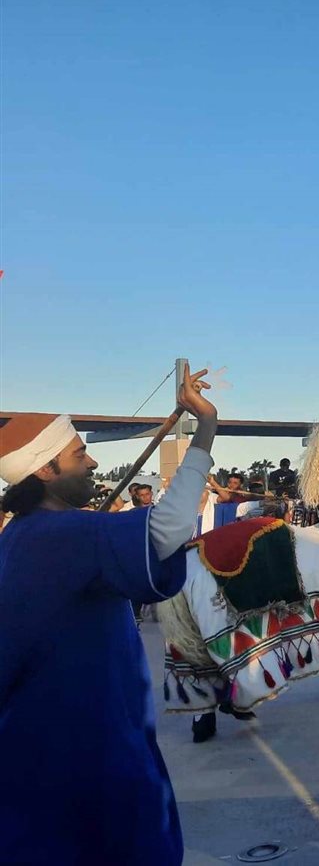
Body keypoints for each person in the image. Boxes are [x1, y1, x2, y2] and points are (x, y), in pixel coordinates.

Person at [0, 364, 218, 865]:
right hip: (83, 748)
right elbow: (168, 529)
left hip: (51, 740)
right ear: (45, 471)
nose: (93, 461)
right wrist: (206, 426)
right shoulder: (61, 536)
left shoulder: (27, 534)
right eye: (79, 454)